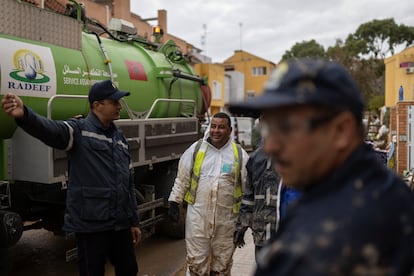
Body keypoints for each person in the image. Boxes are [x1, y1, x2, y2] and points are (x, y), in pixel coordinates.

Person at [229, 58, 414, 275]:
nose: (270, 146)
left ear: (341, 130)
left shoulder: (315, 247)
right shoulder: (383, 186)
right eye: (268, 128)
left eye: (286, 127)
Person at [1, 80, 141, 276]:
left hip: (120, 224)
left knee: (129, 270)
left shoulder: (119, 138)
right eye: (114, 101)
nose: (119, 106)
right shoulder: (78, 130)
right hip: (92, 225)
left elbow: (128, 183)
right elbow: (51, 130)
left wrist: (133, 221)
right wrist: (25, 115)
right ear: (97, 105)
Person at [167, 112, 249, 276]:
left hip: (227, 221)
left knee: (221, 266)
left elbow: (248, 189)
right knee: (197, 265)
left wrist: (245, 221)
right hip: (198, 218)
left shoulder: (239, 155)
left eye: (221, 127)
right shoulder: (196, 150)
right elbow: (182, 178)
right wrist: (174, 201)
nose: (216, 131)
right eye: (213, 126)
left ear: (230, 130)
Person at [233, 143, 282, 259]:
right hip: (264, 232)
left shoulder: (298, 155)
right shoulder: (256, 158)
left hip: (283, 233)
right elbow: (249, 197)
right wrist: (241, 226)